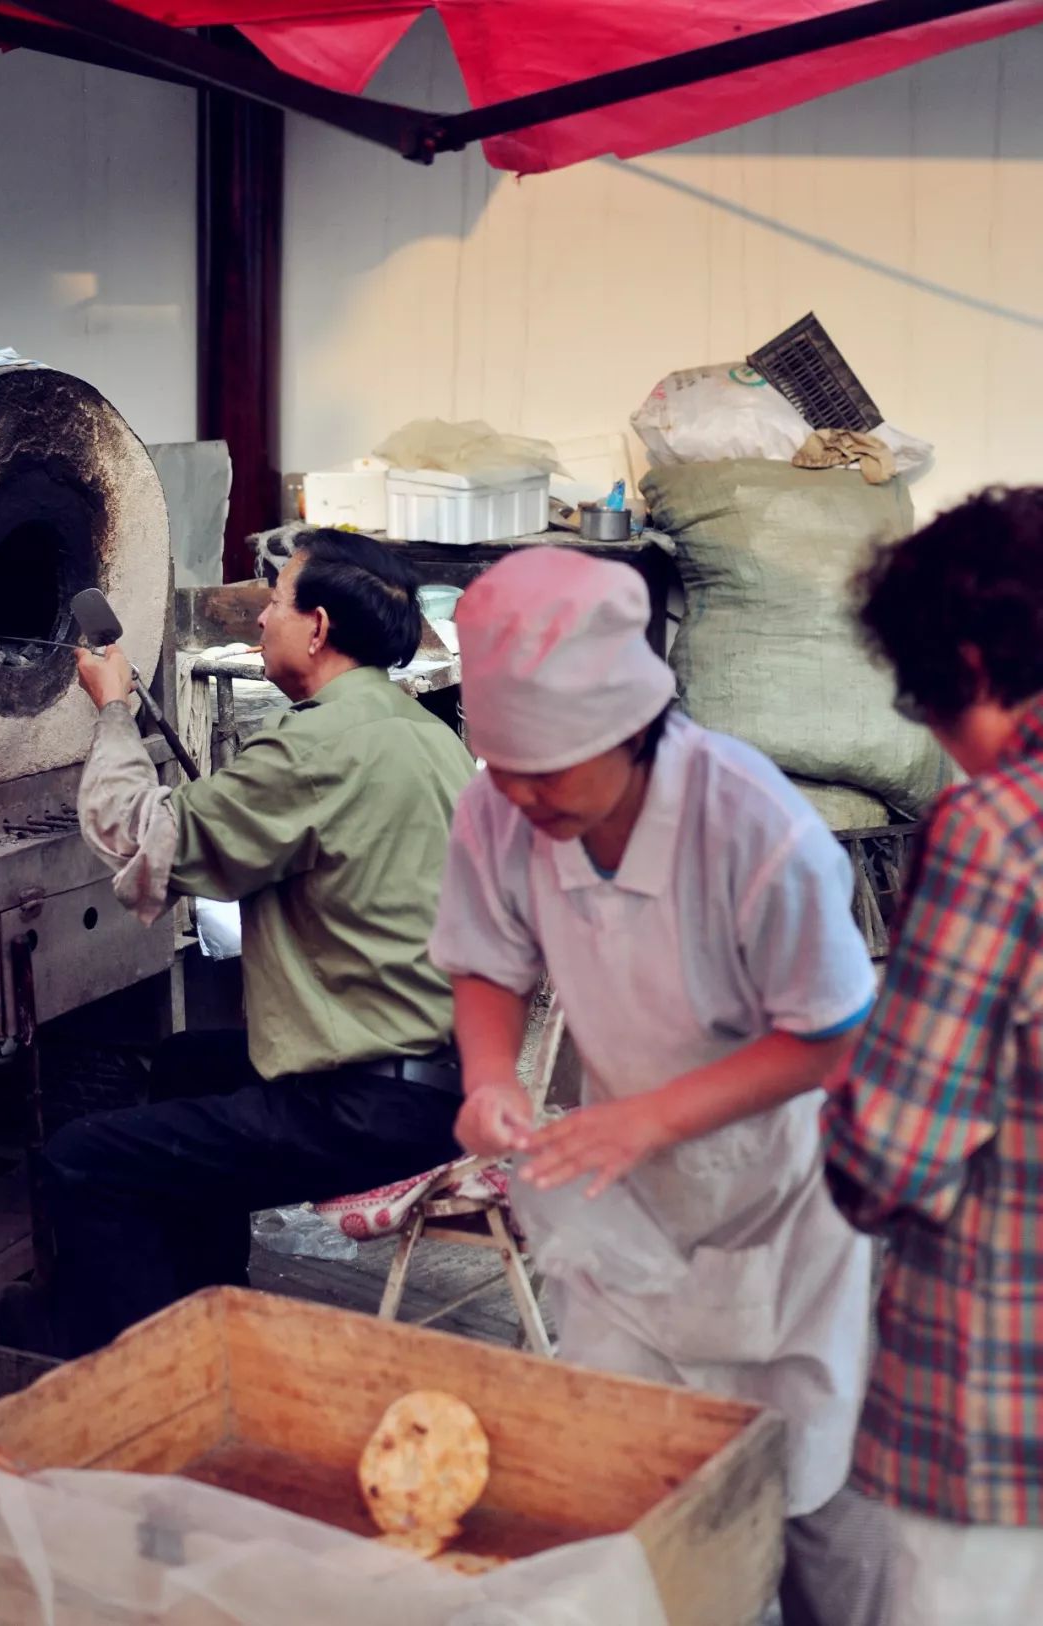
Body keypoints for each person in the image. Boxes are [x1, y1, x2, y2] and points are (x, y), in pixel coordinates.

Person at [428, 546, 891, 1625]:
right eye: (504, 765)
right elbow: (488, 962)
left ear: (632, 731)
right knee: (627, 1474)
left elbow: (829, 1033)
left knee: (812, 1486)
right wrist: (489, 1075)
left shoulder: (754, 827)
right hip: (630, 1211)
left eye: (551, 768)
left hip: (786, 1203)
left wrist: (648, 1117)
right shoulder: (499, 808)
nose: (524, 793)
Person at [43, 529, 474, 1355]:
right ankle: (214, 1314)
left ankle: (148, 1386)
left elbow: (142, 839)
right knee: (183, 1067)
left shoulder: (312, 750)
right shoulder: (426, 734)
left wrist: (113, 711)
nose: (261, 622)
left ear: (316, 629)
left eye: (275, 604)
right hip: (446, 1080)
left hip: (369, 1109)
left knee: (81, 1159)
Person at [823, 487, 1043, 1626]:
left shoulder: (997, 831)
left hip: (1002, 1404)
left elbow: (892, 1157)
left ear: (970, 663)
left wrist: (842, 1083)